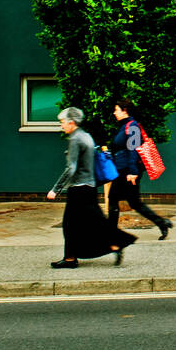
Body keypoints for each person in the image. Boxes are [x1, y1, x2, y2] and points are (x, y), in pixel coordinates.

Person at [46, 107, 136, 268]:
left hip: (78, 188)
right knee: (94, 222)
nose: (61, 126)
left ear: (71, 122)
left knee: (70, 224)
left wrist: (55, 189)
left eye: (62, 122)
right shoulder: (86, 136)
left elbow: (71, 168)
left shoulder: (75, 139)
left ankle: (72, 258)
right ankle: (112, 245)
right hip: (89, 186)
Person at [106, 99, 173, 242]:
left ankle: (111, 234)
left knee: (115, 199)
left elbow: (133, 149)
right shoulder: (124, 126)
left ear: (125, 111)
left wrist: (133, 172)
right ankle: (162, 223)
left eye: (116, 110)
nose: (114, 113)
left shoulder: (133, 127)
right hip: (123, 170)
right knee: (134, 202)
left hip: (128, 171)